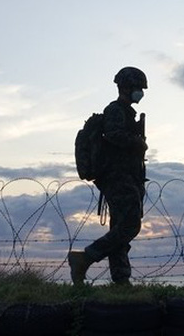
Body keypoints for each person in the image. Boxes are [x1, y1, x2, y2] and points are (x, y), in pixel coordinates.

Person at [69, 66, 148, 286]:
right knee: (130, 226)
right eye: (138, 88)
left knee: (120, 228)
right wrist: (137, 142)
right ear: (126, 87)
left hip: (127, 176)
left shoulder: (127, 112)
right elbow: (114, 135)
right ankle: (85, 258)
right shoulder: (115, 110)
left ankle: (121, 279)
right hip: (117, 177)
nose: (140, 92)